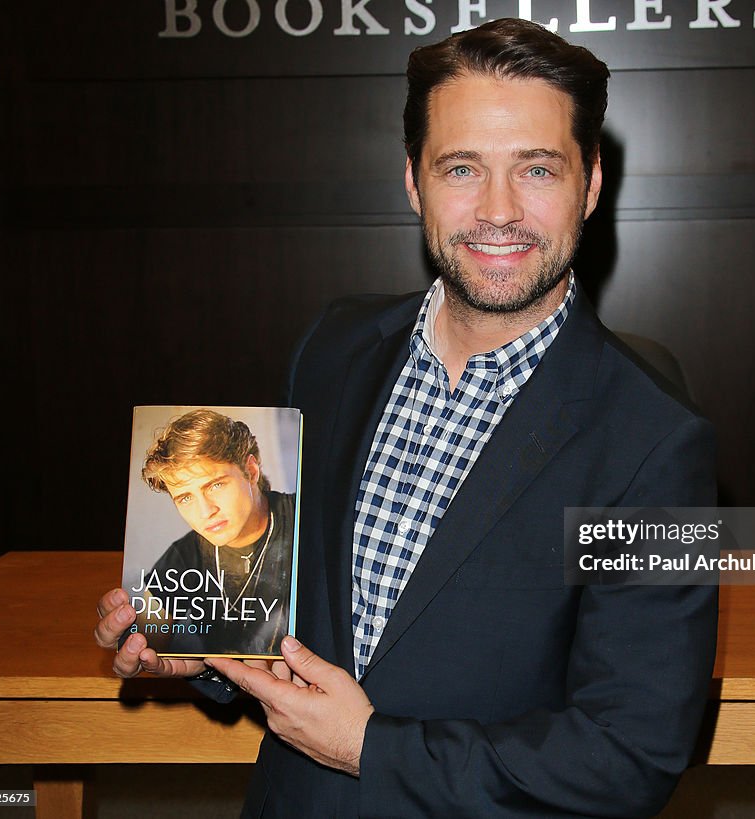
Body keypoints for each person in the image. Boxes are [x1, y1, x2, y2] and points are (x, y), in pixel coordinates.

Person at [95, 19, 717, 818]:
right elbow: (294, 611)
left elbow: (631, 754)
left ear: (591, 185)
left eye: (536, 169)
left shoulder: (663, 442)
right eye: (462, 168)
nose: (498, 211)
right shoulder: (334, 346)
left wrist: (372, 747)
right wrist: (203, 649)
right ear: (415, 183)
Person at [125, 409, 296, 657]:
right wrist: (128, 645)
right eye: (185, 498)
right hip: (225, 692)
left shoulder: (303, 518)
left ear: (251, 471)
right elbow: (143, 646)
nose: (206, 511)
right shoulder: (184, 556)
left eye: (215, 485)